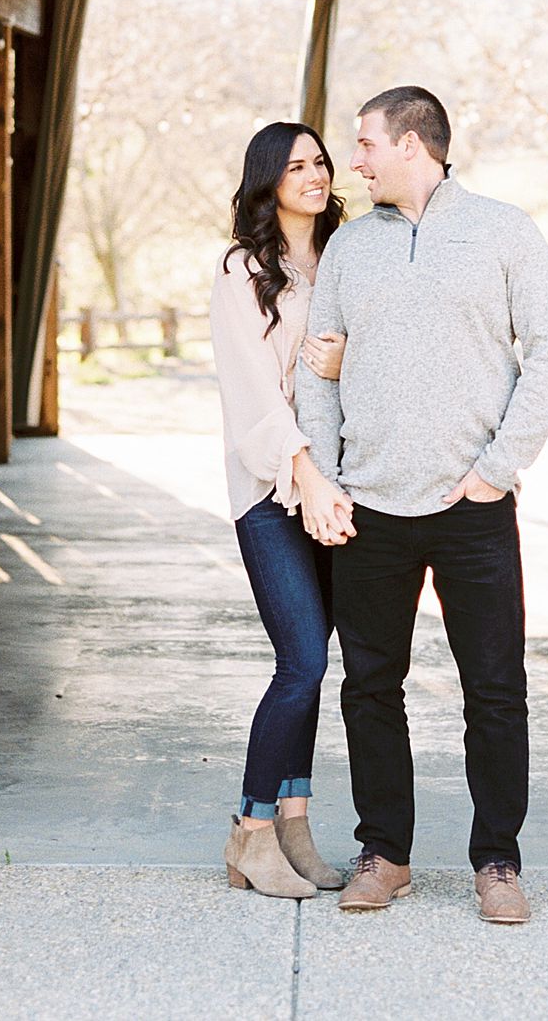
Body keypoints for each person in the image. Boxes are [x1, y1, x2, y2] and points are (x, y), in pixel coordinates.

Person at [294, 86, 548, 926]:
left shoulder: (503, 232)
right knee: (370, 686)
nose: (357, 160)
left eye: (366, 144)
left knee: (495, 688)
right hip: (371, 505)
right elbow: (318, 365)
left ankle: (498, 860)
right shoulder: (349, 248)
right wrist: (329, 477)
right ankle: (386, 852)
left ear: (414, 144)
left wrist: (498, 469)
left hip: (471, 505)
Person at [209, 121, 359, 898]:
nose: (313, 172)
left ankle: (296, 821)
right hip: (274, 490)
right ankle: (252, 833)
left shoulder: (348, 254)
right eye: (295, 164)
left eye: (320, 161)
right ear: (268, 181)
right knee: (300, 661)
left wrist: (349, 357)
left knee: (318, 662)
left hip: (340, 487)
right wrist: (305, 475)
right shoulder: (243, 271)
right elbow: (251, 392)